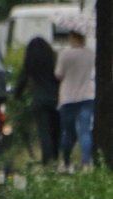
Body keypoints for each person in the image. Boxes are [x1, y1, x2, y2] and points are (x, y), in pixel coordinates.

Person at [54, 29, 95, 172]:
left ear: (72, 37)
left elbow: (58, 75)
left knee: (68, 131)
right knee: (85, 131)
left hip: (68, 98)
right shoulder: (90, 54)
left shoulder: (65, 54)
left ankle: (66, 161)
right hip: (87, 96)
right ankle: (85, 162)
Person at [15, 37, 59, 165]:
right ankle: (56, 157)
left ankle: (48, 160)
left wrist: (17, 96)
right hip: (56, 98)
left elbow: (22, 81)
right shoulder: (53, 61)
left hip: (39, 99)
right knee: (55, 130)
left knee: (44, 131)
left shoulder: (30, 63)